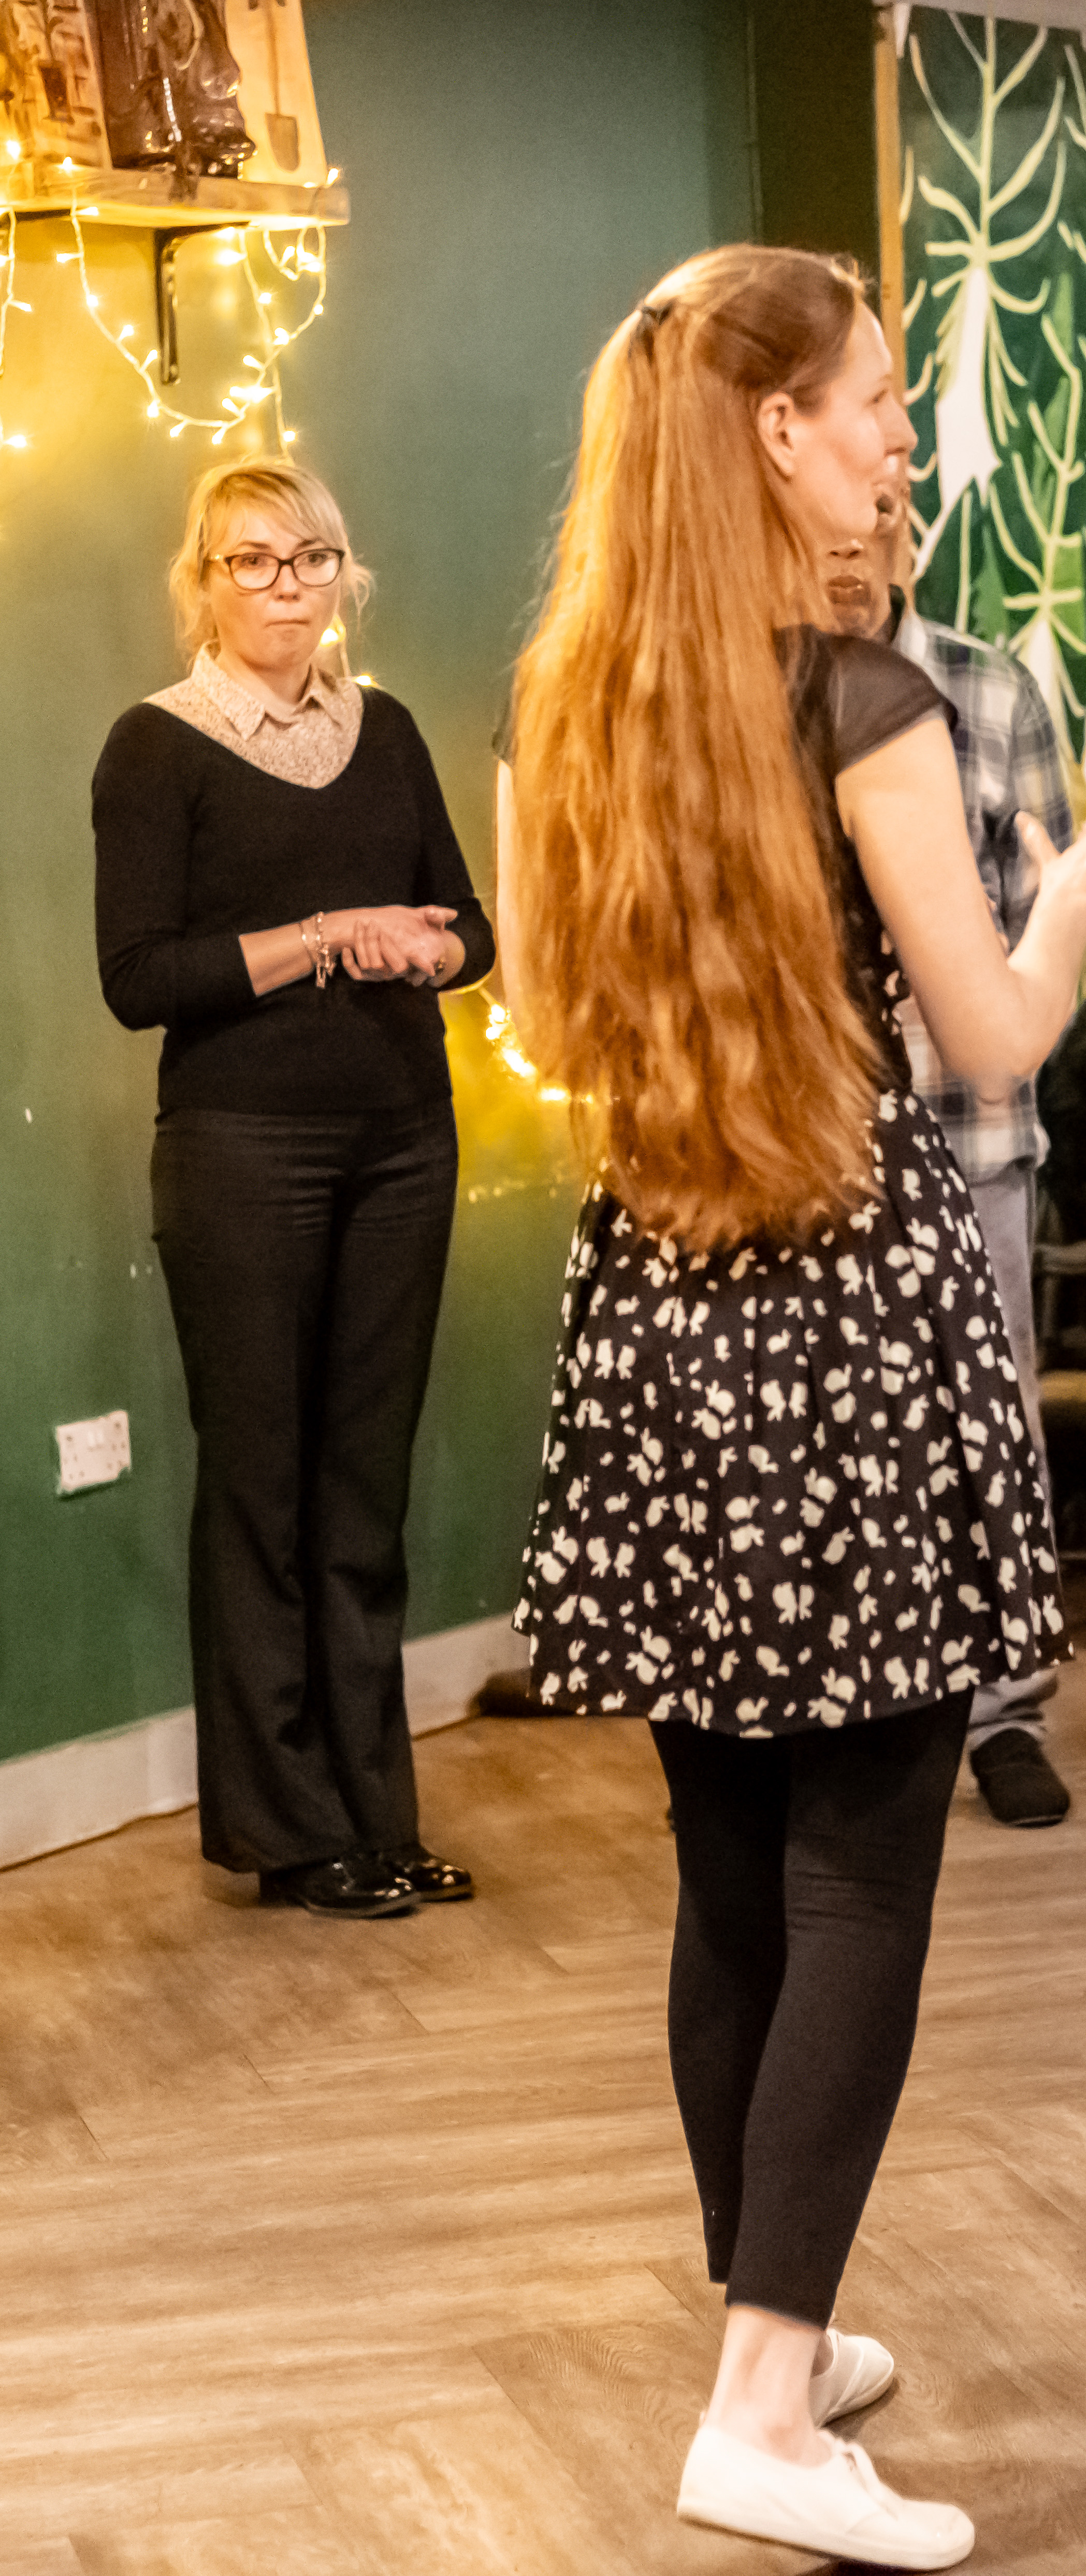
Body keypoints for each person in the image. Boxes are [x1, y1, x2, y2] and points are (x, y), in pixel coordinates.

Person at [497, 245, 1086, 2566]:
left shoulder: (568, 699)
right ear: (775, 432)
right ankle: (762, 2411)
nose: (900, 436)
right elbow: (992, 1037)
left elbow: (549, 1030)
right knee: (864, 1869)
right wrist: (1076, 904)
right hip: (848, 1307)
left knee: (728, 1868)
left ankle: (769, 2331)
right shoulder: (869, 696)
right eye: (878, 400)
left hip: (659, 1310)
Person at [93, 457, 494, 1919]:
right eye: (252, 561)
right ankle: (289, 1833)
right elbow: (141, 977)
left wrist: (427, 949)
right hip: (242, 1153)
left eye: (310, 558)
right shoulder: (158, 746)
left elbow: (473, 930)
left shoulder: (385, 730)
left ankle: (379, 1820)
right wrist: (327, 934)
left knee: (363, 1496)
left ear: (344, 574)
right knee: (262, 1492)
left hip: (405, 1143)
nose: (286, 586)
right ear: (204, 583)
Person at [826, 487, 1077, 1827]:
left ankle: (1004, 1713)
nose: (849, 559)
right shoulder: (759, 690)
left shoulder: (990, 691)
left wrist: (962, 985)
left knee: (994, 1429)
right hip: (811, 1152)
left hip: (966, 1134)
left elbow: (1041, 912)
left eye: (872, 534)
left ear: (905, 536)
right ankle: (848, 1708)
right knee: (833, 1439)